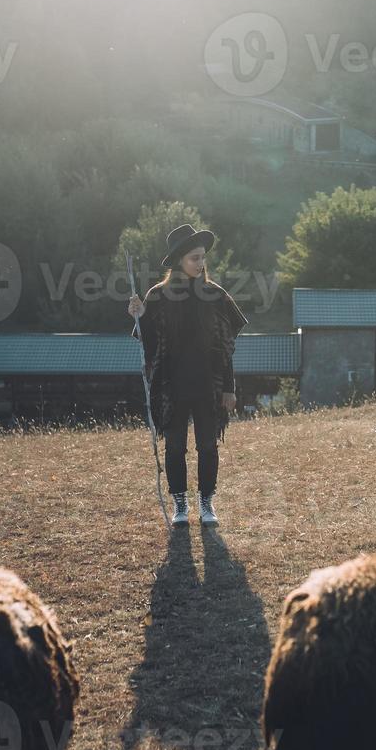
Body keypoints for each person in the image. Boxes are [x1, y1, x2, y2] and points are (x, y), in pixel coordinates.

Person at [128, 224, 248, 526]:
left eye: (202, 257)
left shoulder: (215, 296)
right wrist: (140, 317)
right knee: (175, 446)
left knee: (208, 446)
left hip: (209, 384)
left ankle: (206, 503)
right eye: (194, 258)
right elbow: (151, 344)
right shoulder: (157, 296)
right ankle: (180, 505)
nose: (201, 263)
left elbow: (225, 349)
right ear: (180, 259)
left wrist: (229, 388)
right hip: (171, 385)